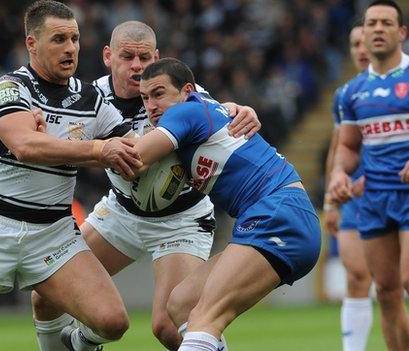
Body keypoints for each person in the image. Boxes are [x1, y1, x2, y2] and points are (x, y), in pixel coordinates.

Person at [0, 1, 143, 350]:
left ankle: (73, 345)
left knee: (112, 322)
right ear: (32, 44)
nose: (70, 48)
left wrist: (205, 121)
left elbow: (136, 147)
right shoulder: (10, 87)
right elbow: (24, 145)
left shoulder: (91, 98)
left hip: (54, 234)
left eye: (75, 39)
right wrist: (97, 149)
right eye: (59, 39)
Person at [29, 20, 261, 351]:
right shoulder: (88, 99)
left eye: (145, 58)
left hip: (180, 219)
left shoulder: (177, 92)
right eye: (127, 57)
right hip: (121, 212)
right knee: (46, 295)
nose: (137, 67)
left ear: (157, 57)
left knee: (169, 326)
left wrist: (240, 109)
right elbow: (58, 143)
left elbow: (216, 112)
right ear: (108, 57)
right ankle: (80, 342)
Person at [132, 57, 321, 351]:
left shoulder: (183, 113)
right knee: (182, 303)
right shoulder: (204, 108)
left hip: (276, 211)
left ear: (186, 91)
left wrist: (87, 146)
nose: (151, 105)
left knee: (205, 317)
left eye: (158, 94)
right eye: (145, 98)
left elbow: (135, 158)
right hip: (280, 213)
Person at [329, 1, 409, 350]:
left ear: (401, 32)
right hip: (375, 197)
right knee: (388, 293)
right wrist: (337, 175)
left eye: (386, 23)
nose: (377, 28)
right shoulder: (351, 93)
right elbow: (348, 147)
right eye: (372, 22)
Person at [323, 22, 373, 351]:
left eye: (366, 41)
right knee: (356, 277)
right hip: (355, 198)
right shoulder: (346, 95)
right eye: (355, 43)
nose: (361, 49)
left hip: (403, 194)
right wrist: (330, 200)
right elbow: (337, 148)